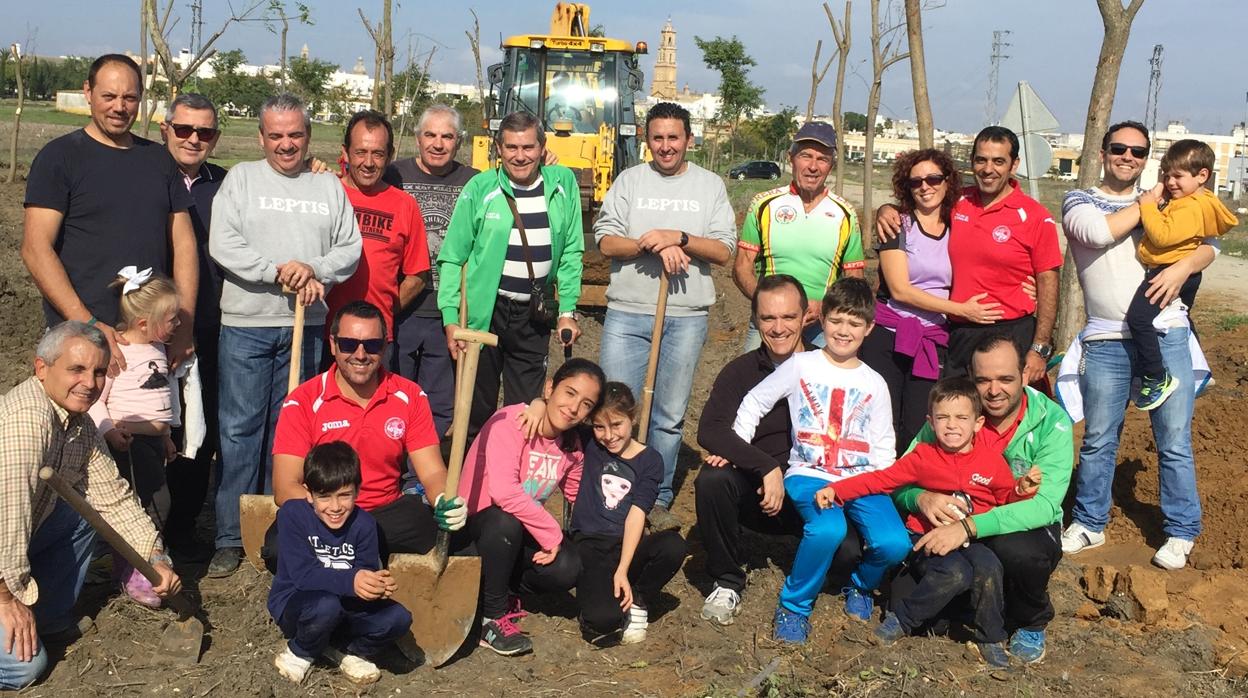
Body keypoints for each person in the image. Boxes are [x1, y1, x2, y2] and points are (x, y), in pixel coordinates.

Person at [207, 93, 362, 577]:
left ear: (308, 136)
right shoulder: (241, 180)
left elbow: (349, 248)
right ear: (261, 137)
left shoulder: (327, 187)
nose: (286, 144)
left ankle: (281, 527)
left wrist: (313, 269)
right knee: (239, 431)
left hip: (306, 326)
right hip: (246, 325)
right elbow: (223, 243)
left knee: (290, 432)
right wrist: (278, 272)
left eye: (295, 134)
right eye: (276, 135)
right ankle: (230, 534)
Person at [1058, 121, 1220, 571]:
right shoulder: (1080, 201)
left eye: (1138, 151)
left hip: (1166, 334)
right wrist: (1149, 204)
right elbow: (1097, 234)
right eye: (1119, 148)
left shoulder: (1169, 200)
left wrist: (1183, 266)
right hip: (1106, 338)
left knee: (1173, 440)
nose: (1128, 157)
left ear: (1147, 158)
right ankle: (1089, 521)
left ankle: (1181, 530)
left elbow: (1211, 245)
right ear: (1103, 153)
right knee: (1098, 439)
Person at [0, 322, 181, 690]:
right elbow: (6, 521)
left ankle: (46, 618)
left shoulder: (79, 423)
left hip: (19, 539)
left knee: (85, 513)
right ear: (41, 368)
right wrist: (6, 599)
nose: (90, 382)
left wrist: (154, 558)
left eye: (99, 372)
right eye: (77, 369)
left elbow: (113, 500)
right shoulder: (26, 423)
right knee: (25, 670)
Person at [732, 278, 910, 645]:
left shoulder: (875, 383)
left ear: (869, 328)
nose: (844, 331)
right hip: (810, 474)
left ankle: (861, 585)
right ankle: (794, 606)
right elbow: (755, 402)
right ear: (822, 319)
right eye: (836, 320)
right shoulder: (801, 365)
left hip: (861, 479)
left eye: (854, 323)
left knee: (895, 542)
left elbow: (883, 444)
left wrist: (881, 488)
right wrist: (738, 449)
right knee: (828, 529)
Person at [818, 377, 1042, 668]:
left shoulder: (991, 461)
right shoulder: (922, 457)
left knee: (990, 567)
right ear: (930, 422)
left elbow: (1004, 499)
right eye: (943, 417)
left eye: (961, 417)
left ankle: (990, 637)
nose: (952, 425)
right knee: (956, 573)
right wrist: (837, 491)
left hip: (970, 539)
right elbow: (880, 480)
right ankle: (902, 620)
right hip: (925, 538)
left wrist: (1021, 491)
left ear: (978, 423)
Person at [595, 101, 736, 530]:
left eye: (674, 137)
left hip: (686, 316)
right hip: (627, 313)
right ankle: (610, 489)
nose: (666, 146)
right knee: (614, 405)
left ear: (688, 139)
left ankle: (655, 496)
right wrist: (651, 243)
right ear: (646, 140)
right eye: (657, 138)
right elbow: (606, 241)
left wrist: (679, 237)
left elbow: (723, 251)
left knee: (669, 416)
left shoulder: (709, 186)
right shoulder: (629, 181)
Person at [893, 335, 1073, 664]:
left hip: (1017, 527)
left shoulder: (1052, 421)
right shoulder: (954, 414)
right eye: (983, 380)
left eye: (1005, 379)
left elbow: (1044, 505)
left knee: (1019, 553)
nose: (993, 390)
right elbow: (899, 481)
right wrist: (920, 497)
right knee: (911, 607)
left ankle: (1031, 618)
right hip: (954, 528)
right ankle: (977, 604)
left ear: (1025, 374)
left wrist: (968, 527)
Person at [22, 54, 197, 376]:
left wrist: (183, 325)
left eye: (129, 97)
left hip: (150, 339)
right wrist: (87, 322)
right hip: (79, 339)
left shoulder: (159, 161)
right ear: (88, 92)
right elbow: (35, 249)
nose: (119, 107)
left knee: (154, 412)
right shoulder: (60, 158)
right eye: (109, 96)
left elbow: (184, 245)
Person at [270, 301, 465, 563]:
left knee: (451, 536)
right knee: (277, 547)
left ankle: (348, 553)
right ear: (333, 344)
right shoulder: (302, 400)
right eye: (349, 344)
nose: (360, 355)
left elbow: (432, 473)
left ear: (384, 346)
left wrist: (442, 499)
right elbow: (285, 487)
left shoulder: (410, 395)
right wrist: (334, 509)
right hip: (325, 511)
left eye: (371, 345)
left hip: (385, 513)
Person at [438, 111, 583, 439]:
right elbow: (453, 257)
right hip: (485, 313)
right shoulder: (481, 188)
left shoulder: (562, 184)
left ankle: (512, 468)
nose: (520, 156)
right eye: (511, 147)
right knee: (475, 408)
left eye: (528, 147)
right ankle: (473, 467)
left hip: (532, 315)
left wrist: (567, 310)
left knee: (525, 411)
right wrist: (450, 318)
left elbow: (572, 252)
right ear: (499, 149)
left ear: (542, 148)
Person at [877, 126, 1062, 384]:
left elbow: (1049, 281)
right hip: (959, 333)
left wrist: (1039, 347)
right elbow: (920, 204)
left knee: (1001, 406)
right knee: (955, 407)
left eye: (998, 161)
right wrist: (886, 209)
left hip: (1011, 332)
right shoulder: (957, 202)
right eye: (981, 160)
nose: (988, 169)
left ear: (1014, 164)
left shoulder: (1035, 216)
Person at [456, 359, 604, 656]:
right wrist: (551, 533)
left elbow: (577, 497)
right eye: (570, 393)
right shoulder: (511, 421)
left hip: (515, 535)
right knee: (504, 521)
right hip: (475, 531)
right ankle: (491, 618)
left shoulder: (571, 447)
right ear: (549, 388)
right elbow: (504, 492)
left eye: (586, 404)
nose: (574, 408)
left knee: (567, 567)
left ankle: (502, 590)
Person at [862, 149, 1007, 455]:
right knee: (881, 422)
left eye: (933, 179)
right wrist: (961, 310)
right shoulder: (897, 225)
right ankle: (879, 482)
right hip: (889, 336)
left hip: (932, 341)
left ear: (947, 181)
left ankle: (911, 483)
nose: (925, 187)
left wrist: (1026, 285)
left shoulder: (959, 226)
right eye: (916, 182)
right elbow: (900, 290)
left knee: (919, 426)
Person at [268, 441, 411, 686]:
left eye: (344, 495)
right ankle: (301, 650)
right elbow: (303, 576)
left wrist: (375, 587)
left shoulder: (365, 525)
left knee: (398, 618)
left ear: (358, 491)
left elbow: (363, 573)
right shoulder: (292, 515)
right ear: (309, 494)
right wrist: (353, 580)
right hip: (299, 603)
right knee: (326, 605)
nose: (335, 507)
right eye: (324, 497)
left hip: (344, 606)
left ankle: (344, 650)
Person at [86, 269, 181, 608]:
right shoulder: (119, 353)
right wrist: (109, 431)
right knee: (149, 505)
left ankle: (131, 564)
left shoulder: (156, 347)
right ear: (143, 323)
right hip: (128, 444)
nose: (177, 324)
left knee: (154, 502)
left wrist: (166, 435)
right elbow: (96, 400)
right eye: (171, 319)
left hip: (152, 443)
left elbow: (159, 398)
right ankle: (137, 568)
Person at [158, 92, 227, 562]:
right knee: (153, 421)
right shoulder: (147, 177)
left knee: (200, 427)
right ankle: (146, 528)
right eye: (184, 129)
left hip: (211, 325)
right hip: (154, 326)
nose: (193, 139)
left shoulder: (226, 184)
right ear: (167, 129)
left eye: (204, 132)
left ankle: (182, 526)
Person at [566, 383, 687, 645]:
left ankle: (638, 598)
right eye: (599, 427)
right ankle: (604, 597)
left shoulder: (650, 460)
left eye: (617, 424)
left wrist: (622, 568)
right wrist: (538, 404)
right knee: (603, 623)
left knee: (673, 545)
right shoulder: (590, 443)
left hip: (627, 543)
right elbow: (561, 416)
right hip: (590, 545)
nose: (609, 435)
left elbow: (636, 514)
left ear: (632, 417)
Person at [385, 104, 478, 436]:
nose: (438, 144)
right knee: (395, 395)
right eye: (430, 135)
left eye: (447, 137)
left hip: (448, 312)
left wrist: (549, 163)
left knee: (439, 403)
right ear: (417, 138)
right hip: (402, 306)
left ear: (459, 141)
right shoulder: (393, 175)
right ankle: (392, 461)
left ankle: (423, 462)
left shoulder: (475, 182)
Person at [1126, 139, 1236, 410]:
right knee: (1184, 316)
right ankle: (1197, 366)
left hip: (1168, 271)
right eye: (1166, 175)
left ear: (1202, 176)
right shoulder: (1197, 201)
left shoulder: (1190, 206)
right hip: (1185, 271)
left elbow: (1162, 236)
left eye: (1177, 176)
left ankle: (1155, 375)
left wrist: (1148, 205)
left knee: (1139, 319)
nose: (1170, 182)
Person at [733, 121, 863, 349]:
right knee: (755, 373)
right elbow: (742, 267)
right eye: (806, 156)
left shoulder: (846, 214)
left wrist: (825, 307)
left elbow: (855, 280)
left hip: (820, 327)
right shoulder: (763, 205)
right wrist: (770, 306)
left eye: (822, 159)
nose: (813, 166)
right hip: (770, 324)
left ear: (831, 166)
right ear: (790, 158)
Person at [326, 111, 430, 352]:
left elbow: (417, 277)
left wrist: (381, 314)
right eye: (360, 152)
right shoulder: (326, 193)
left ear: (390, 155)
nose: (369, 162)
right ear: (345, 152)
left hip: (375, 341)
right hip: (323, 333)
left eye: (378, 154)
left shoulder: (405, 205)